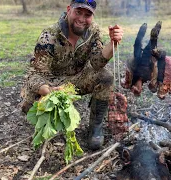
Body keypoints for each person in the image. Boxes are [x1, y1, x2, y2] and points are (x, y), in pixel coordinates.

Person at [20, 0, 124, 150]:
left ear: (92, 16)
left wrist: (113, 43)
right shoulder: (50, 35)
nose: (82, 19)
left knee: (105, 77)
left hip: (75, 80)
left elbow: (97, 63)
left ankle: (95, 127)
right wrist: (49, 91)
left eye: (87, 15)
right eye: (78, 12)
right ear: (69, 10)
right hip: (48, 82)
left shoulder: (93, 32)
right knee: (30, 110)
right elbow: (34, 75)